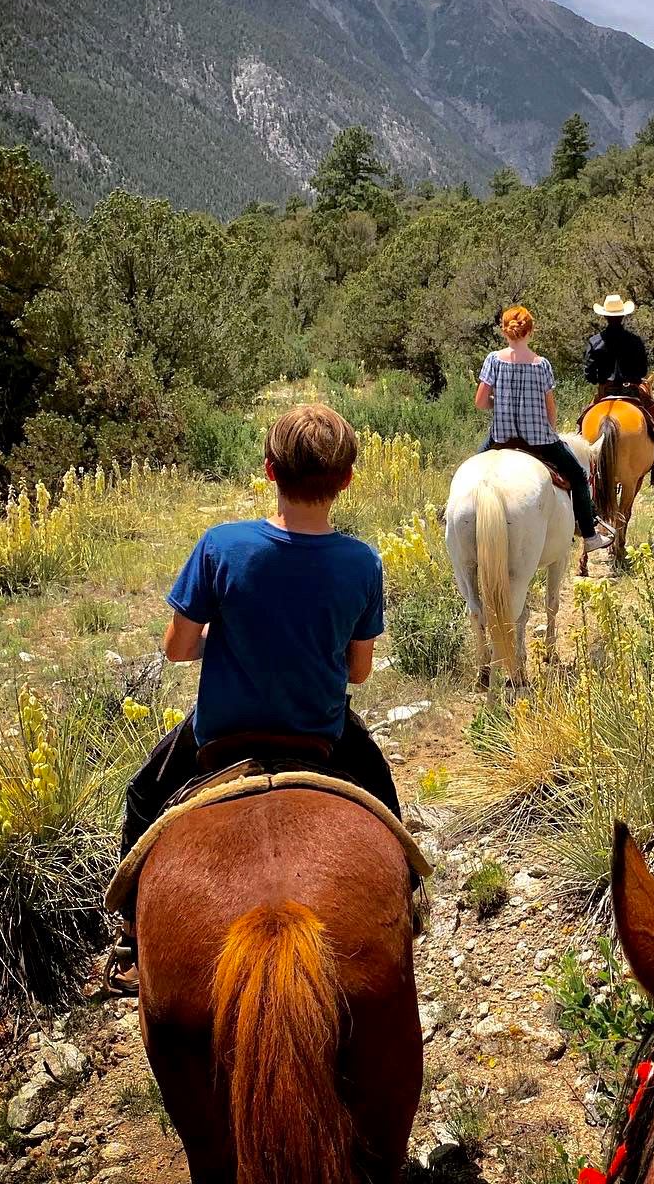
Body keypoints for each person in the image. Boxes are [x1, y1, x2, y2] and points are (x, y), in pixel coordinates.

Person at [106, 403, 401, 993]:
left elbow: (177, 649)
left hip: (222, 736)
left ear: (269, 471)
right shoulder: (362, 562)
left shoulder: (220, 546)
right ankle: (408, 906)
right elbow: (359, 671)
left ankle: (131, 941)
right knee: (387, 806)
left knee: (142, 796)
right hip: (320, 736)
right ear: (345, 480)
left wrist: (229, 632)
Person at [476, 305, 615, 552]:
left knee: (473, 470)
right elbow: (551, 410)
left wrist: (498, 404)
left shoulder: (493, 360)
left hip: (501, 438)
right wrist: (550, 430)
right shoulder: (541, 365)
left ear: (504, 332)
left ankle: (448, 513)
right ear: (530, 332)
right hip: (539, 440)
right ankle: (590, 535)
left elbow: (480, 402)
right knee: (579, 476)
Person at [584, 293, 654, 485]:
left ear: (605, 316)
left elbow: (590, 375)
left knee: (581, 424)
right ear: (622, 316)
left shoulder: (595, 342)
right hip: (632, 393)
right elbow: (642, 370)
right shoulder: (634, 341)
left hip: (605, 393)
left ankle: (583, 469)